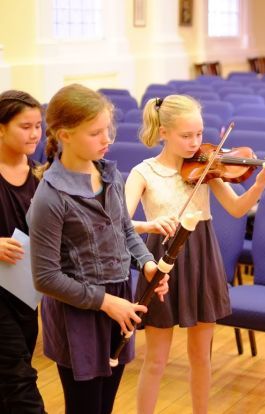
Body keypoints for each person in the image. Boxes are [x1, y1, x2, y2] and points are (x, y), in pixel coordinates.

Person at [124, 94, 265, 414]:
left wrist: (262, 181)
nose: (196, 143)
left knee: (201, 358)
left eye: (199, 134)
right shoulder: (144, 172)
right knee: (155, 360)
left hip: (201, 254)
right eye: (186, 136)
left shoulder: (205, 166)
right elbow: (122, 224)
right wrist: (150, 224)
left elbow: (237, 209)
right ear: (163, 132)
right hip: (160, 259)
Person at [27, 84, 169, 414]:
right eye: (95, 133)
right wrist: (107, 303)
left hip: (118, 299)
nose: (107, 139)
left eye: (108, 130)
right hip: (79, 308)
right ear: (64, 135)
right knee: (85, 407)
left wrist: (147, 264)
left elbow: (124, 230)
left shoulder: (110, 175)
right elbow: (45, 278)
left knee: (104, 405)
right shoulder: (50, 197)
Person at [0, 90, 46, 413]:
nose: (34, 134)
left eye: (38, 126)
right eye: (25, 126)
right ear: (1, 128)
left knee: (10, 379)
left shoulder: (42, 177)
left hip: (25, 294)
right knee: (20, 384)